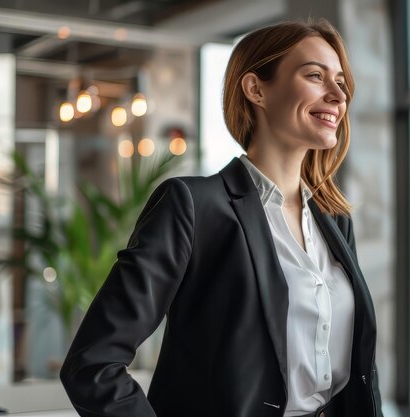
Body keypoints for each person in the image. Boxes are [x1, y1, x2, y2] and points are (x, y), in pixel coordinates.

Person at [60, 19, 384, 417]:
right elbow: (93, 363)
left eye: (341, 81)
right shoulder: (194, 206)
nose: (338, 95)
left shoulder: (335, 222)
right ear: (256, 89)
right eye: (315, 76)